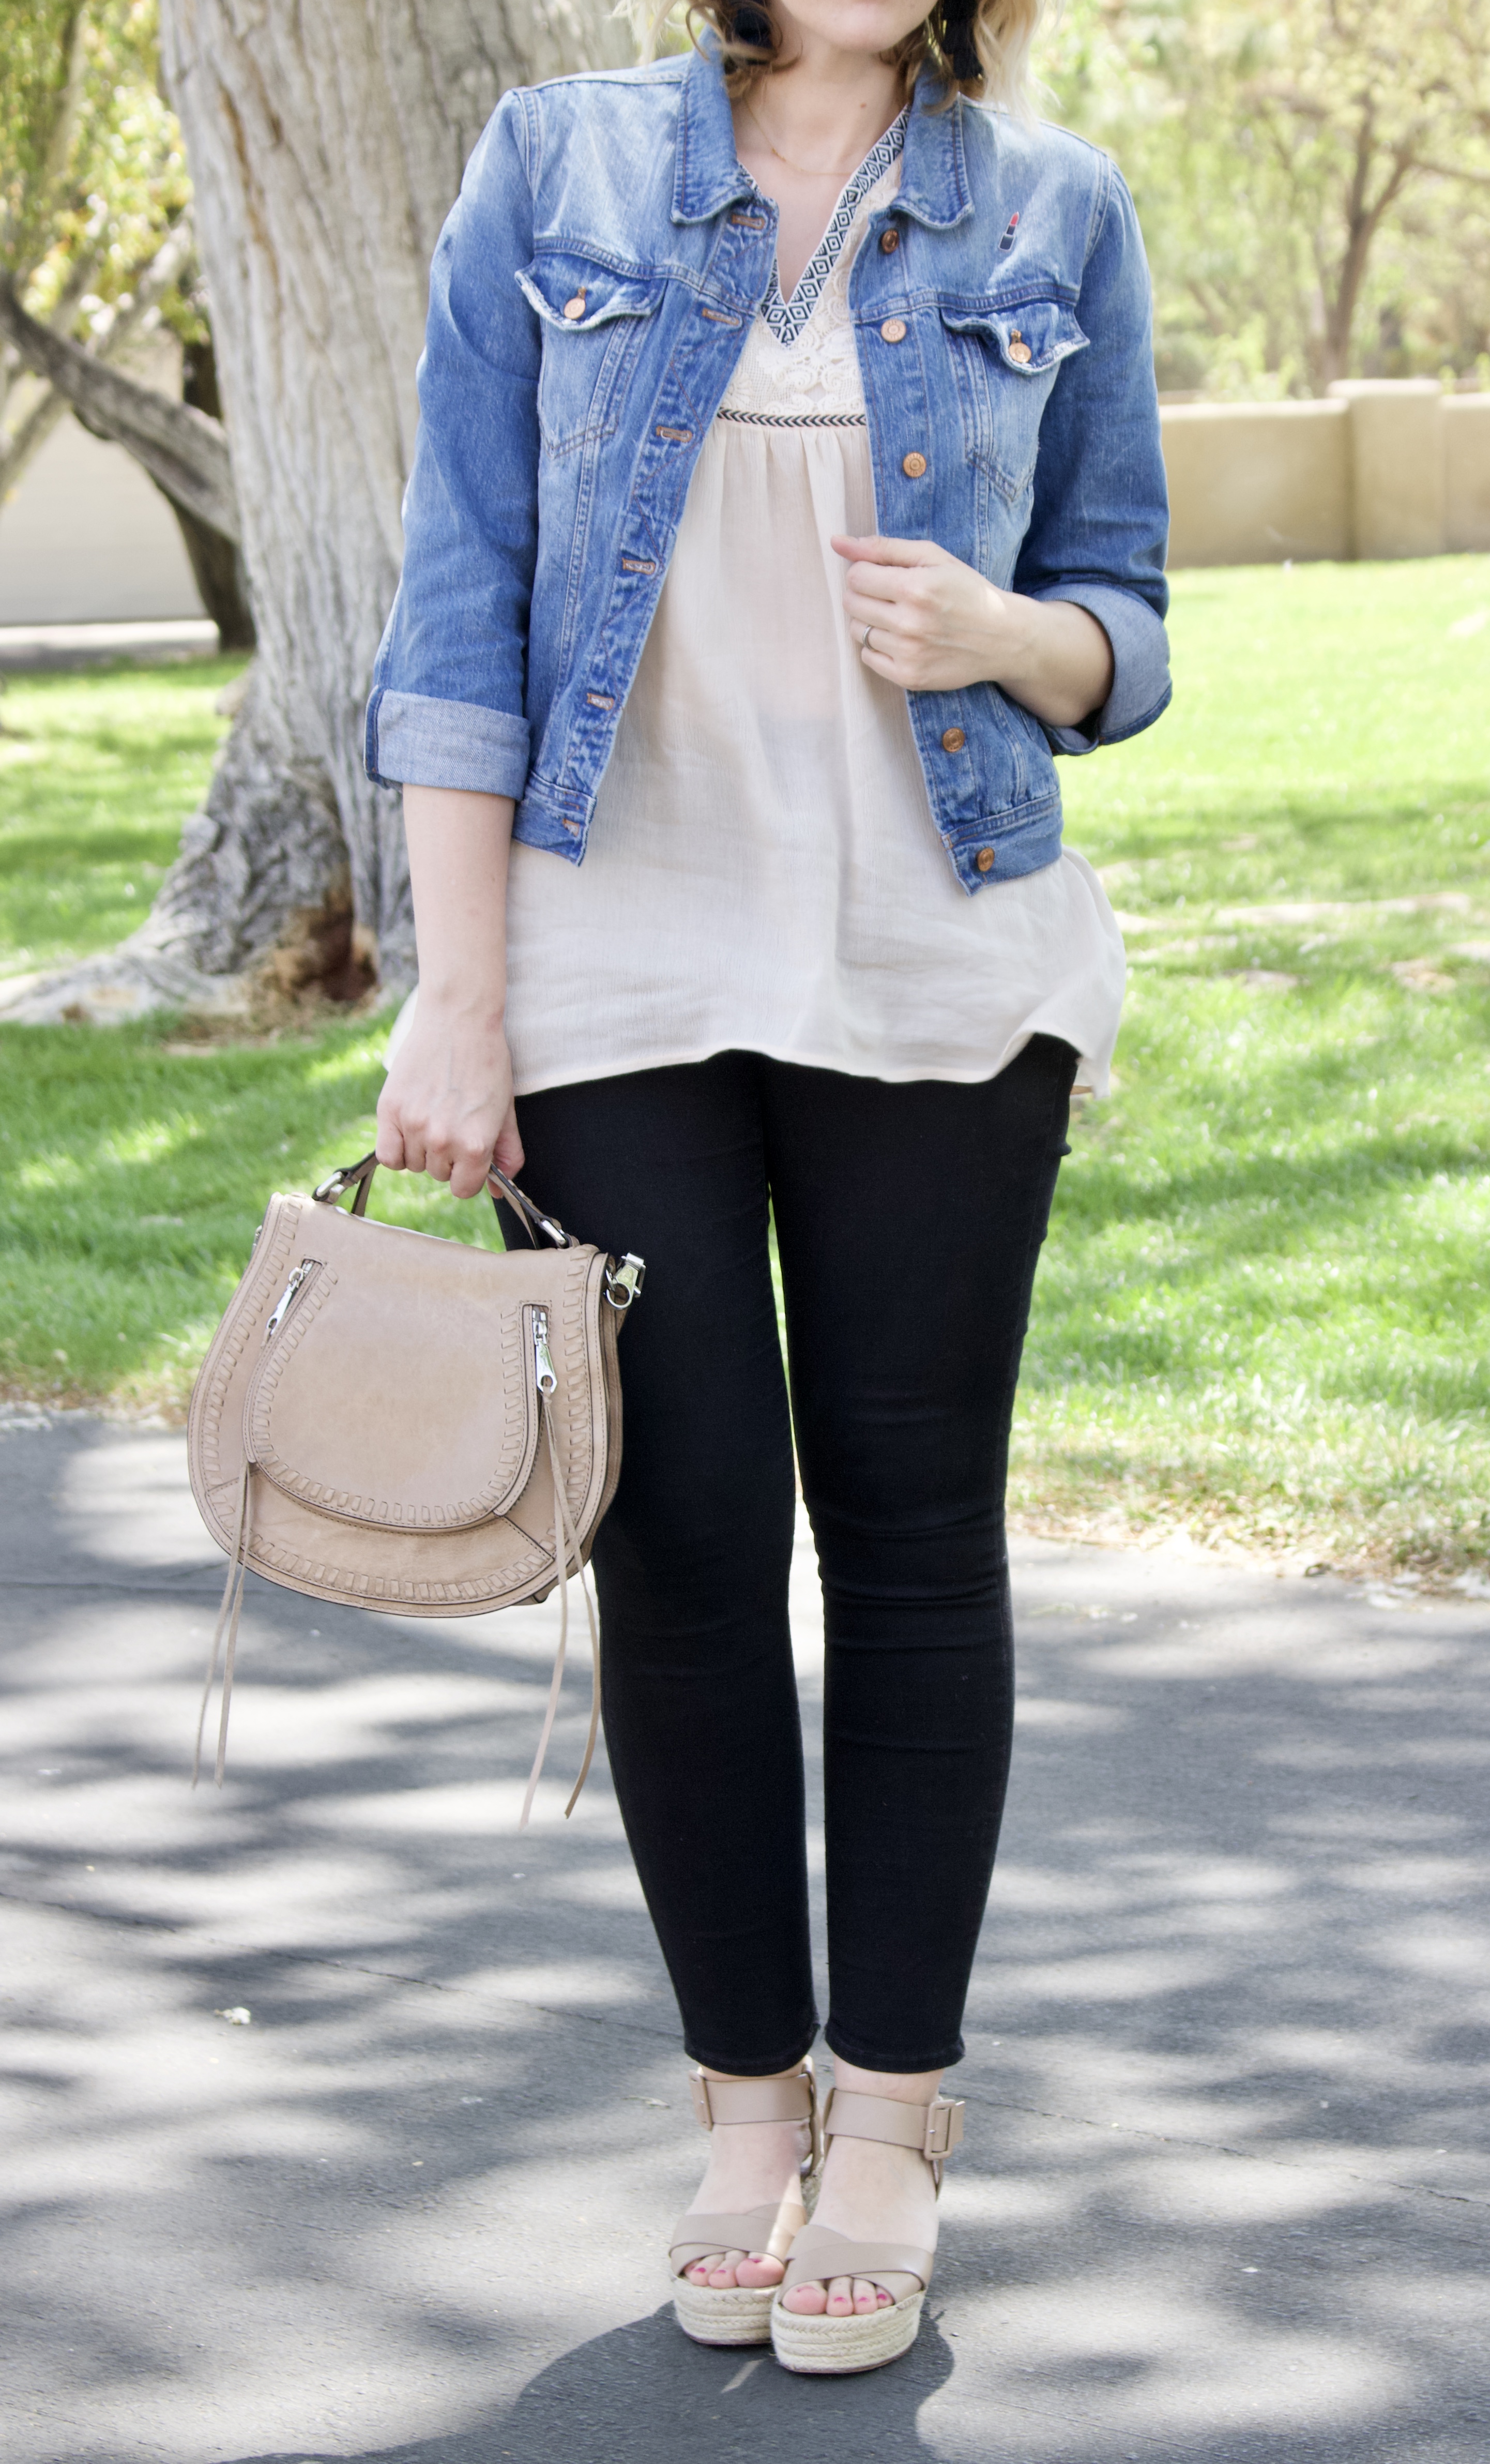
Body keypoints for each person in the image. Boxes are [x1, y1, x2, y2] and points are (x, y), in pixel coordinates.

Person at [366, 0, 1169, 2378]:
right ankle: (746, 2113)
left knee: (914, 1534)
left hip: (937, 951)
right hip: (609, 959)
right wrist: (456, 991)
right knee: (687, 1546)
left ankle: (895, 2116)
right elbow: (460, 598)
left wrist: (999, 629)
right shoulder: (555, 164)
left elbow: (1121, 617)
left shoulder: (1055, 205)